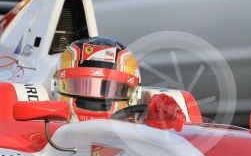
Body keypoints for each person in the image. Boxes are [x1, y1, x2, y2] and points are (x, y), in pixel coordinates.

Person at [52, 36, 185, 131]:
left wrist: (164, 124)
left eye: (110, 89)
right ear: (54, 86)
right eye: (80, 85)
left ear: (135, 93)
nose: (94, 98)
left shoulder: (141, 131)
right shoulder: (43, 131)